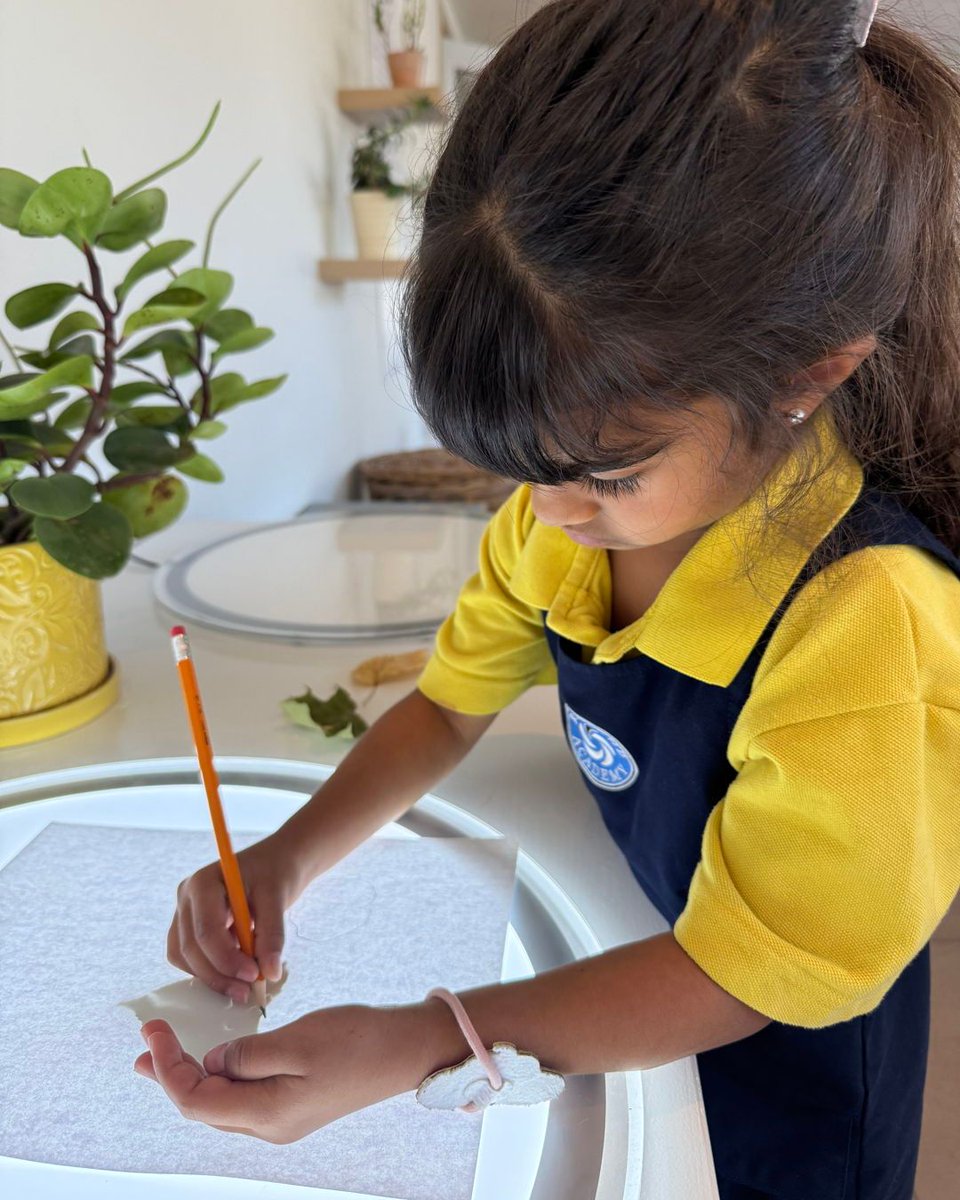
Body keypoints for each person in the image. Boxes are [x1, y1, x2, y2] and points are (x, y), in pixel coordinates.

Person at [136, 2, 960, 1196]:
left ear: (806, 375)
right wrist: (289, 857)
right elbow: (449, 706)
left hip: (789, 1061)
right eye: (522, 468)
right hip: (639, 958)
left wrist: (427, 1038)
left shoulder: (868, 621)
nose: (551, 511)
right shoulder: (563, 522)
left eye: (607, 472)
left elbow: (753, 973)